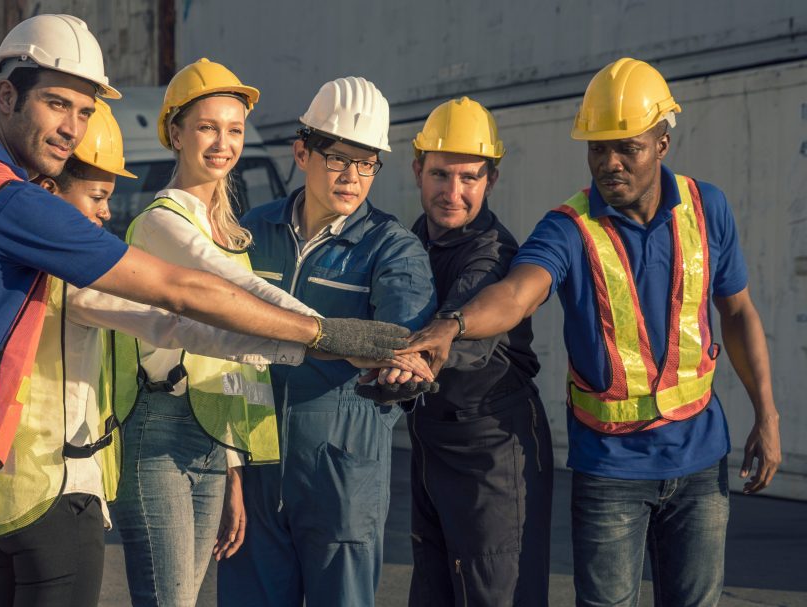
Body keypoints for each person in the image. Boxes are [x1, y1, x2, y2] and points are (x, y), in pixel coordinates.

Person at [0, 15, 411, 607]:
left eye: (85, 111)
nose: (72, 127)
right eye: (57, 104)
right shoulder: (11, 204)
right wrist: (322, 334)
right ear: (7, 96)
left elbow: (158, 319)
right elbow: (180, 291)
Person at [408, 58, 782, 606]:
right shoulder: (568, 227)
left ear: (662, 142)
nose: (609, 162)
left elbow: (739, 311)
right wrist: (454, 323)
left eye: (626, 147)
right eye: (596, 147)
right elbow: (516, 294)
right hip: (611, 471)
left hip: (701, 460)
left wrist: (766, 414)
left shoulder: (708, 208)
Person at [217, 77, 437, 607]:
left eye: (367, 164)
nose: (353, 176)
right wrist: (228, 462)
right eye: (339, 158)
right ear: (302, 152)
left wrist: (399, 374)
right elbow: (218, 343)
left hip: (342, 472)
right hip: (256, 464)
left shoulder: (391, 247)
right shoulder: (251, 231)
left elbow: (403, 344)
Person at [404, 97, 553, 606]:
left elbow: (454, 340)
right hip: (431, 439)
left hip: (493, 448)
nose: (453, 192)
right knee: (433, 589)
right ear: (417, 168)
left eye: (470, 177)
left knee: (496, 593)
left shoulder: (492, 254)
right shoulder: (409, 243)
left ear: (491, 179)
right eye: (441, 175)